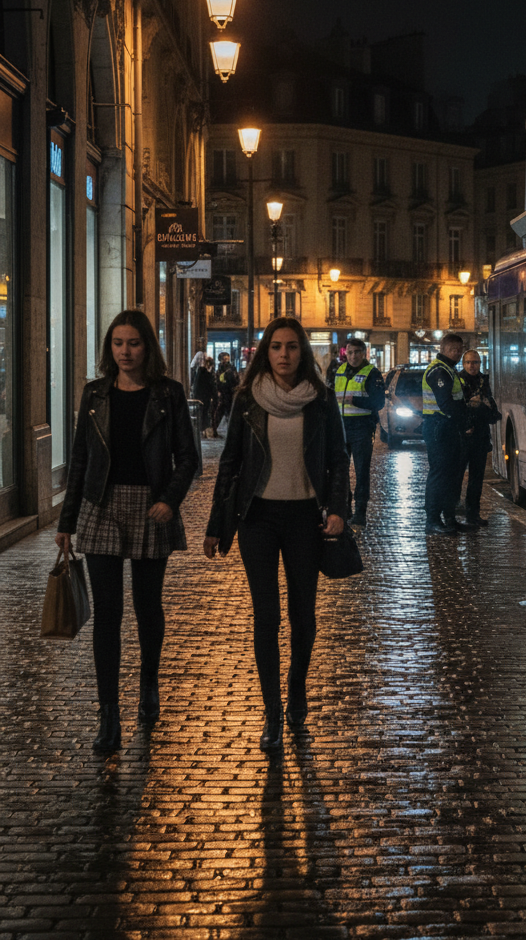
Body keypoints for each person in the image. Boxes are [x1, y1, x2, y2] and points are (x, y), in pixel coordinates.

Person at [55, 310, 198, 753]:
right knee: (107, 615)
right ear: (109, 348)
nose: (125, 351)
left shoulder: (168, 394)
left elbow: (188, 457)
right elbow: (80, 459)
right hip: (101, 506)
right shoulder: (95, 393)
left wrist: (169, 500)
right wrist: (66, 521)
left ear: (147, 346)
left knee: (147, 607)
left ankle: (149, 683)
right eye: (118, 343)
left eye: (133, 343)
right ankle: (109, 714)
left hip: (150, 507)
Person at [203, 317, 348, 753]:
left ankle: (296, 690)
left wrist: (339, 509)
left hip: (305, 518)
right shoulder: (248, 398)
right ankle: (272, 711)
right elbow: (230, 463)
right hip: (258, 518)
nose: (284, 354)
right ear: (266, 353)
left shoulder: (321, 399)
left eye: (291, 347)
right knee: (266, 615)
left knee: (304, 616)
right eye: (276, 347)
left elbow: (338, 458)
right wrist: (216, 525)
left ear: (302, 352)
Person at [422, 333, 476, 535]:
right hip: (439, 427)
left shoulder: (449, 370)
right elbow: (446, 403)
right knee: (439, 474)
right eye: (453, 349)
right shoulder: (438, 371)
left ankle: (450, 519)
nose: (457, 353)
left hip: (448, 428)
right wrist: (464, 421)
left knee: (452, 475)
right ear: (443, 349)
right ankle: (433, 520)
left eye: (460, 349)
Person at [333, 337, 385, 529]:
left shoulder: (372, 373)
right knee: (340, 470)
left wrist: (354, 401)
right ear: (345, 353)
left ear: (363, 354)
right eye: (350, 352)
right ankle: (344, 509)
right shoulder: (339, 371)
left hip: (362, 427)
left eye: (357, 352)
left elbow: (378, 402)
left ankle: (360, 513)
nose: (353, 356)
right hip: (341, 427)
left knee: (362, 471)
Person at [457, 350, 502, 527]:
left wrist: (483, 405)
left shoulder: (484, 381)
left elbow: (492, 410)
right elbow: (455, 408)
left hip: (480, 437)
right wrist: (471, 405)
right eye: (468, 362)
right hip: (462, 437)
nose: (472, 366)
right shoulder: (458, 380)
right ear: (463, 364)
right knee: (456, 477)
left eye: (475, 362)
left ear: (480, 364)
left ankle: (473, 514)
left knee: (476, 479)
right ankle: (452, 513)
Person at [211, 352, 239, 437]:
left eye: (227, 358)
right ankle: (215, 430)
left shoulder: (230, 368)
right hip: (225, 394)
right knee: (221, 413)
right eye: (224, 359)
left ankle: (231, 432)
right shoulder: (222, 369)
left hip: (229, 393)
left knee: (227, 413)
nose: (226, 360)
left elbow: (235, 380)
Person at [192, 356, 217, 438]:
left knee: (202, 414)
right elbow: (211, 386)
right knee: (205, 414)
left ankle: (202, 430)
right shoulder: (206, 374)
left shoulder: (199, 373)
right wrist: (214, 396)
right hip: (205, 397)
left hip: (200, 397)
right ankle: (203, 430)